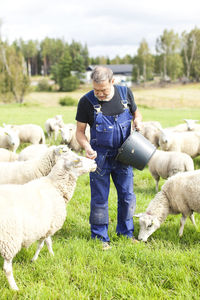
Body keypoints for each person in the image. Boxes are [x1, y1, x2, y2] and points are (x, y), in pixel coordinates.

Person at [75, 66, 142, 248]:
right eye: (96, 90)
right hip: (99, 158)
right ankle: (100, 237)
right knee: (99, 199)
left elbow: (136, 112)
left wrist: (138, 120)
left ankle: (126, 233)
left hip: (125, 155)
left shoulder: (125, 93)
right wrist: (87, 147)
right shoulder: (86, 102)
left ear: (113, 82)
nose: (100, 94)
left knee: (127, 196)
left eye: (103, 90)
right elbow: (80, 133)